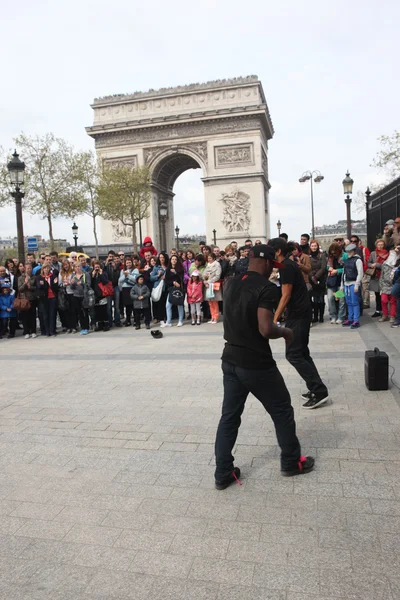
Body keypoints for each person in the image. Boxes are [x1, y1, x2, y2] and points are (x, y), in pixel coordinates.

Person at [214, 244, 314, 489]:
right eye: (274, 266)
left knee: (229, 417)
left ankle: (223, 473)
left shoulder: (230, 283)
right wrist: (286, 331)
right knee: (281, 410)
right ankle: (291, 461)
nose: (274, 271)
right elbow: (266, 328)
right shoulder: (267, 288)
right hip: (256, 363)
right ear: (268, 263)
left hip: (230, 360)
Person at [269, 237, 329, 409]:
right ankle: (315, 388)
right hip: (300, 314)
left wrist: (274, 319)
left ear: (278, 251)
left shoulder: (286, 266)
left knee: (294, 354)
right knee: (301, 353)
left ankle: (319, 391)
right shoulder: (287, 265)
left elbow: (286, 295)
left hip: (297, 316)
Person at [341, 243, 363, 329]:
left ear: (354, 251)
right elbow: (344, 274)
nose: (349, 253)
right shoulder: (346, 261)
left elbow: (360, 273)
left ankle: (356, 320)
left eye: (350, 251)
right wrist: (342, 285)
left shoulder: (358, 260)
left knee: (355, 302)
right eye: (348, 252)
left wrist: (357, 285)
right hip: (346, 283)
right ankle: (350, 319)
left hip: (353, 283)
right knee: (349, 303)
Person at [36, 264, 58, 337]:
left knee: (52, 314)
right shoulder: (39, 277)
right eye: (44, 268)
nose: (46, 270)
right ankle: (47, 331)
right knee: (45, 315)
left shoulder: (53, 276)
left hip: (52, 297)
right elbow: (39, 286)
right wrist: (44, 282)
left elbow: (55, 286)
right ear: (42, 269)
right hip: (44, 298)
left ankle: (52, 331)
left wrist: (54, 283)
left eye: (47, 268)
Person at [368, 239, 388, 318]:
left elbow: (386, 266)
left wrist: (377, 265)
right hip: (375, 276)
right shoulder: (373, 253)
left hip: (383, 276)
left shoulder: (386, 254)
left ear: (384, 245)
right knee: (377, 294)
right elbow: (368, 262)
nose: (380, 246)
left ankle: (384, 311)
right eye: (378, 245)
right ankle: (377, 310)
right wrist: (371, 265)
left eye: (381, 245)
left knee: (383, 295)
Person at [326, 242, 346, 324]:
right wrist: (329, 268)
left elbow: (347, 268)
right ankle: (333, 316)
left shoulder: (344, 256)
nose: (333, 254)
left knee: (341, 300)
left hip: (340, 281)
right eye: (332, 252)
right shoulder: (330, 257)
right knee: (330, 298)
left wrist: (337, 271)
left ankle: (341, 316)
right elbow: (327, 266)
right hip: (331, 282)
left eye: (335, 252)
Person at [163, 254, 184, 327]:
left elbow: (181, 278)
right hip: (171, 289)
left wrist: (176, 273)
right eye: (172, 259)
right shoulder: (168, 269)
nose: (174, 260)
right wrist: (173, 282)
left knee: (179, 304)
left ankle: (180, 321)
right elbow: (166, 280)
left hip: (179, 289)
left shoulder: (180, 268)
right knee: (168, 305)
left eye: (175, 259)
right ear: (170, 260)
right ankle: (169, 322)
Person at [17, 263, 38, 339]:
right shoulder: (20, 278)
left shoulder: (34, 277)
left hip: (32, 298)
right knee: (25, 316)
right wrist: (25, 283)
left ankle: (33, 331)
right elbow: (20, 289)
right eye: (27, 268)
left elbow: (36, 287)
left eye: (30, 268)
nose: (29, 269)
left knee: (32, 316)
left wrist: (30, 287)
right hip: (24, 299)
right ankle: (26, 331)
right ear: (24, 269)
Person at [309, 240, 327, 324]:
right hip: (313, 280)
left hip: (321, 279)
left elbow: (323, 267)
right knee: (315, 299)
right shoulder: (308, 257)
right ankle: (315, 316)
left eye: (315, 246)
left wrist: (316, 276)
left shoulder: (322, 255)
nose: (314, 247)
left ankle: (321, 316)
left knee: (321, 299)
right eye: (312, 246)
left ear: (317, 246)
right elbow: (308, 268)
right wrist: (312, 276)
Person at [70, 262, 90, 335]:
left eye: (78, 266)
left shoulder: (85, 274)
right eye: (76, 266)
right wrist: (73, 283)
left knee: (85, 312)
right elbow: (71, 288)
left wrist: (82, 283)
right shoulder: (73, 275)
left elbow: (88, 285)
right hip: (76, 296)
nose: (77, 268)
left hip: (84, 295)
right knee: (79, 313)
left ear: (81, 267)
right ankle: (82, 327)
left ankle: (87, 327)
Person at [118, 257, 139, 327]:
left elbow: (135, 279)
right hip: (125, 289)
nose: (128, 264)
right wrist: (124, 275)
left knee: (134, 305)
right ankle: (128, 320)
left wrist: (129, 275)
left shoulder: (135, 270)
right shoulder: (122, 271)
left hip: (132, 288)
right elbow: (120, 280)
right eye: (127, 263)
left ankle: (136, 320)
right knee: (127, 306)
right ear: (125, 264)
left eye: (130, 262)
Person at [103, 251, 122, 328]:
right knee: (109, 306)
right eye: (109, 257)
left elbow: (118, 276)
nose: (111, 258)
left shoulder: (117, 265)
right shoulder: (105, 265)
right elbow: (103, 274)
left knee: (117, 306)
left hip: (116, 286)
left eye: (112, 257)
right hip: (108, 287)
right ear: (107, 257)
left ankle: (117, 320)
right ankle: (110, 321)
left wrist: (114, 267)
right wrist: (106, 264)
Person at [203, 253, 222, 324]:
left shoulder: (217, 265)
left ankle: (216, 317)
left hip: (213, 285)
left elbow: (217, 276)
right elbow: (204, 274)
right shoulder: (207, 265)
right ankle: (212, 317)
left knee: (215, 302)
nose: (209, 259)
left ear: (214, 258)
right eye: (208, 258)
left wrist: (209, 281)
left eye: (210, 258)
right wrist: (205, 281)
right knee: (210, 302)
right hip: (207, 286)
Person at [151, 252, 169, 325]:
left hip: (167, 287)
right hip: (159, 287)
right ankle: (161, 318)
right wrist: (158, 276)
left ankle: (167, 317)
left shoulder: (168, 266)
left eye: (163, 257)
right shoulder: (156, 267)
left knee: (167, 303)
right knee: (160, 303)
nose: (162, 259)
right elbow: (151, 278)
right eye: (160, 257)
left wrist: (166, 277)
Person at [91, 261, 110, 331]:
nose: (96, 268)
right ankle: (100, 324)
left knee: (104, 310)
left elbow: (105, 282)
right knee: (97, 310)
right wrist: (92, 276)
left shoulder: (104, 273)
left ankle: (106, 324)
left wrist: (101, 274)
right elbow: (91, 285)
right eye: (95, 267)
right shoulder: (92, 274)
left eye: (98, 267)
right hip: (95, 295)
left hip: (102, 294)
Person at [59, 260, 75, 333]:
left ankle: (73, 326)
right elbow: (59, 284)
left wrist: (70, 283)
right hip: (64, 293)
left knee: (72, 310)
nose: (66, 266)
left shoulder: (72, 272)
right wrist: (63, 284)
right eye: (64, 265)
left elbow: (74, 282)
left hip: (72, 293)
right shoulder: (61, 273)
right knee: (66, 311)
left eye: (67, 264)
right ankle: (68, 326)